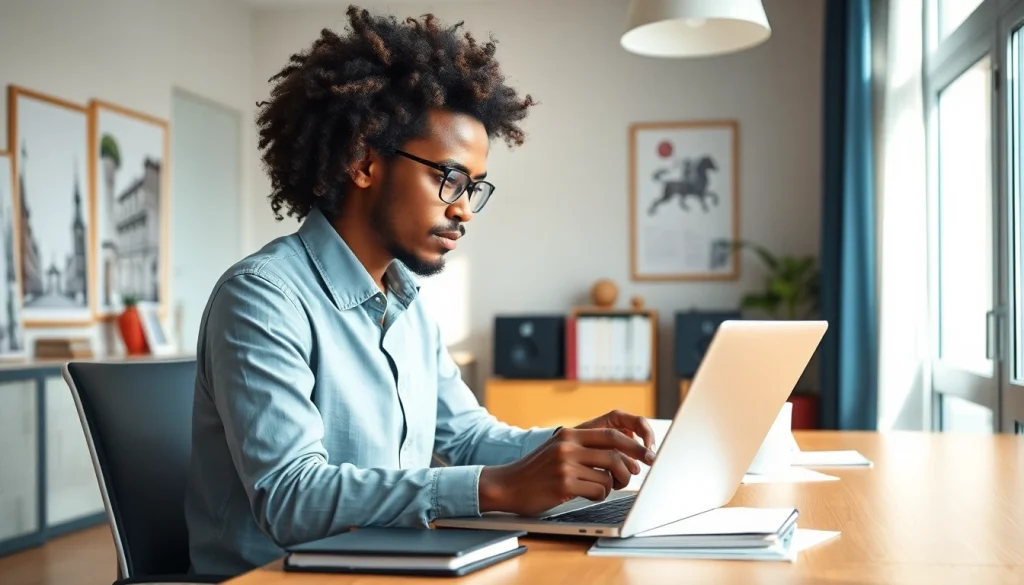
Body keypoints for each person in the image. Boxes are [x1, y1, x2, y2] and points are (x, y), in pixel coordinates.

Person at [184, 5, 657, 576]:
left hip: (387, 564)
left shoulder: (406, 303)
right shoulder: (262, 298)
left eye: (474, 188)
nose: (463, 209)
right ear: (363, 161)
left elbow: (469, 438)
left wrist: (569, 445)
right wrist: (496, 488)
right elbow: (290, 496)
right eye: (449, 179)